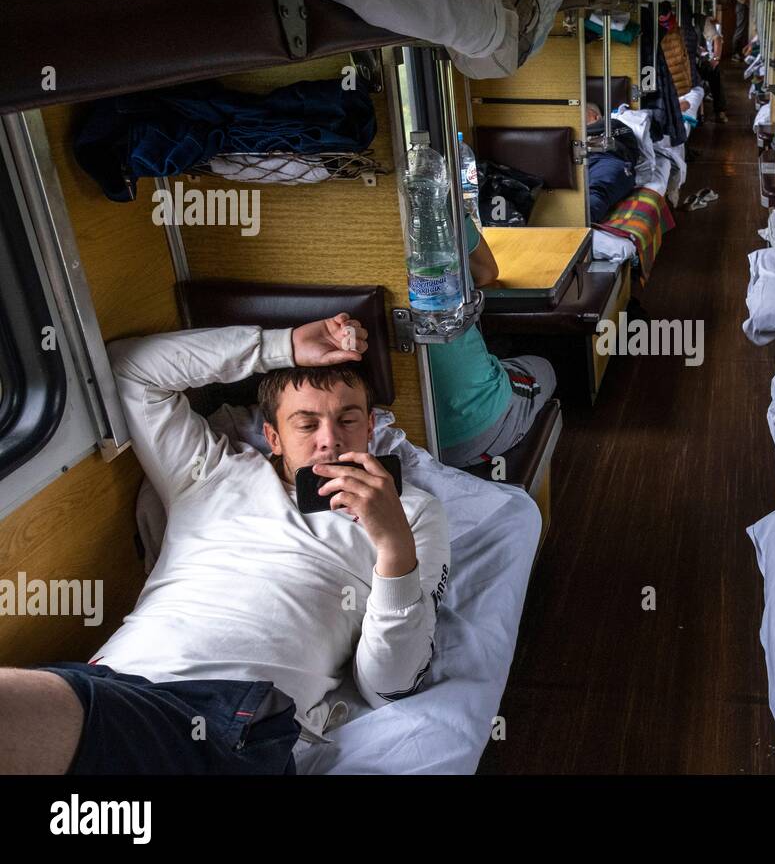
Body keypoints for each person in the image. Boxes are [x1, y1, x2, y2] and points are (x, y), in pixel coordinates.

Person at [0, 314, 450, 773]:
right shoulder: (209, 471)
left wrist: (393, 546)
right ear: (272, 437)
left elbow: (389, 686)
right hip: (112, 681)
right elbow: (129, 369)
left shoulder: (412, 514)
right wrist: (282, 346)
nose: (329, 441)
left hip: (226, 718)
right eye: (306, 424)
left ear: (371, 427)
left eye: (347, 419)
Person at [428, 204, 557, 467]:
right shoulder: (436, 204)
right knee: (545, 367)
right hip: (469, 432)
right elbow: (487, 273)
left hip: (382, 438)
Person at [699, 15, 728, 123]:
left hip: (698, 60)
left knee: (715, 71)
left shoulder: (701, 20)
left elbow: (717, 38)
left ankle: (720, 109)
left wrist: (715, 59)